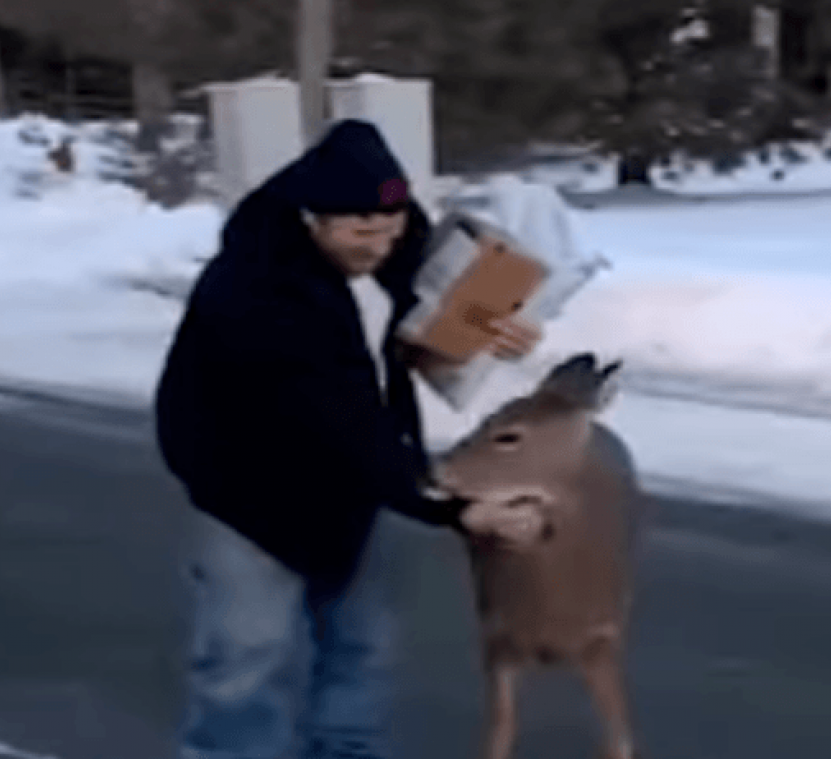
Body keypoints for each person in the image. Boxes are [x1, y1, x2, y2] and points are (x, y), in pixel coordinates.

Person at [154, 119, 542, 759]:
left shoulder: (395, 241)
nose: (380, 246)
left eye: (390, 228)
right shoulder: (256, 288)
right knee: (245, 663)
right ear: (312, 219)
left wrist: (486, 326)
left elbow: (413, 323)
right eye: (361, 231)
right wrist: (450, 506)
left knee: (363, 650)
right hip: (249, 492)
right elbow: (339, 414)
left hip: (354, 485)